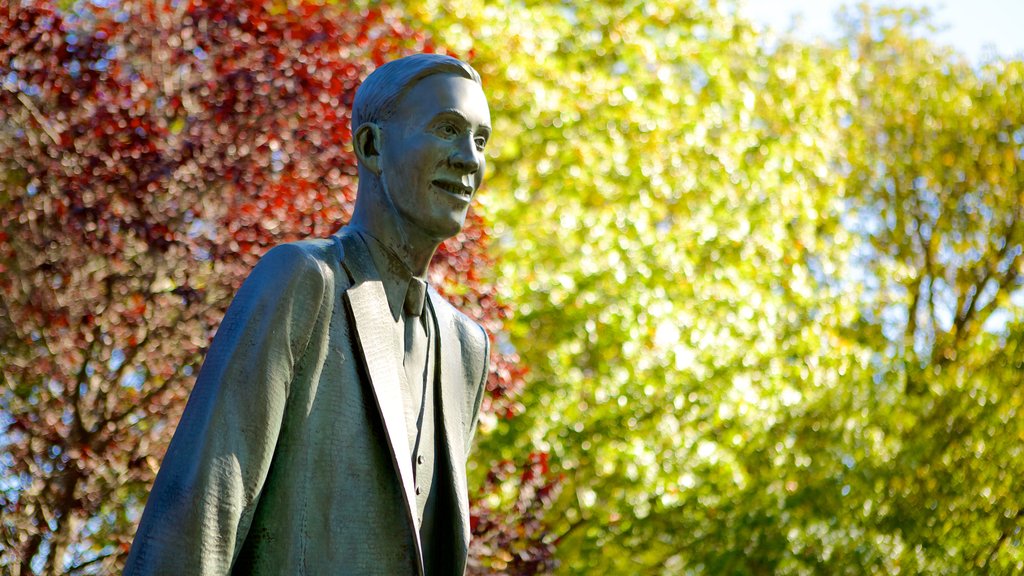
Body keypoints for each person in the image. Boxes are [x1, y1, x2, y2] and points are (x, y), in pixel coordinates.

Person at [124, 53, 492, 576]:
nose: (468, 159)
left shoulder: (466, 348)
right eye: (448, 129)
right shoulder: (303, 279)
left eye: (481, 140)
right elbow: (202, 506)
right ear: (372, 146)